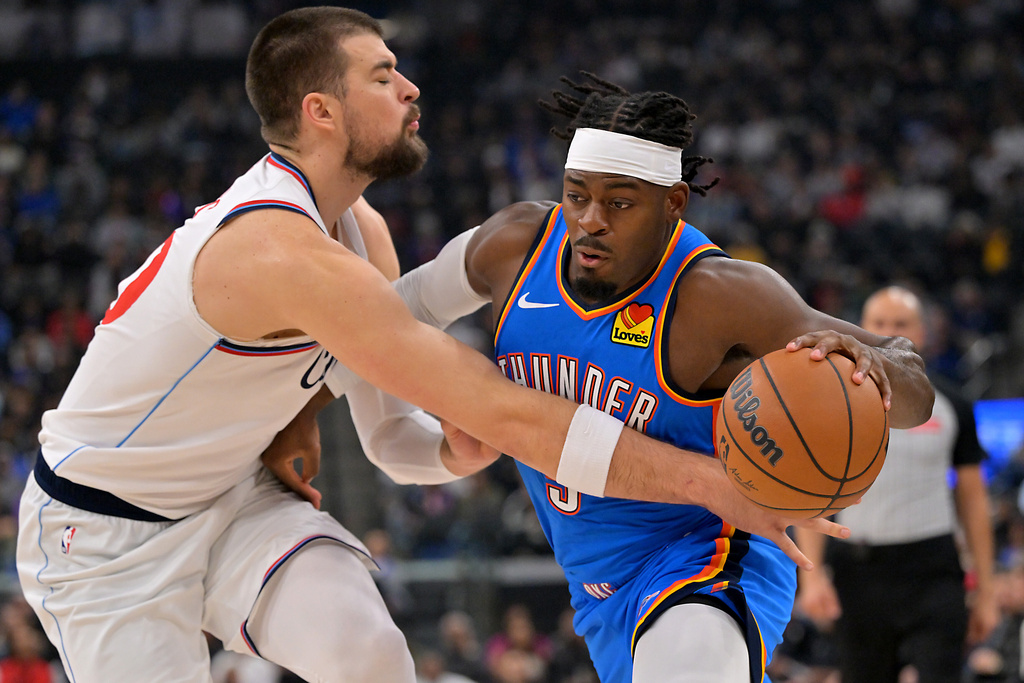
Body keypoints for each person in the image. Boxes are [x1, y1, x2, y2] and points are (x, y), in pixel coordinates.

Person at [14, 9, 857, 683]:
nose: (412, 88)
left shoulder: (361, 232)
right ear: (322, 112)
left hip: (234, 498)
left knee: (369, 656)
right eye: (384, 75)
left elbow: (390, 443)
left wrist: (450, 453)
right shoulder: (277, 249)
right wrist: (716, 483)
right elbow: (506, 409)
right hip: (103, 534)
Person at [365, 73, 935, 682]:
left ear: (672, 203)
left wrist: (868, 364)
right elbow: (386, 314)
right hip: (595, 590)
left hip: (706, 556)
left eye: (619, 203)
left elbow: (916, 390)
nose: (589, 220)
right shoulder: (515, 245)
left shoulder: (719, 295)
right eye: (576, 194)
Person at [796, 285, 999, 683]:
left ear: (921, 333)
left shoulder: (953, 403)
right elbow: (816, 489)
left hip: (933, 568)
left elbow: (974, 500)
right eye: (879, 323)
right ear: (860, 329)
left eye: (900, 324)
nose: (889, 330)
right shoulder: (833, 401)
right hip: (859, 571)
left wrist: (988, 591)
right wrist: (813, 574)